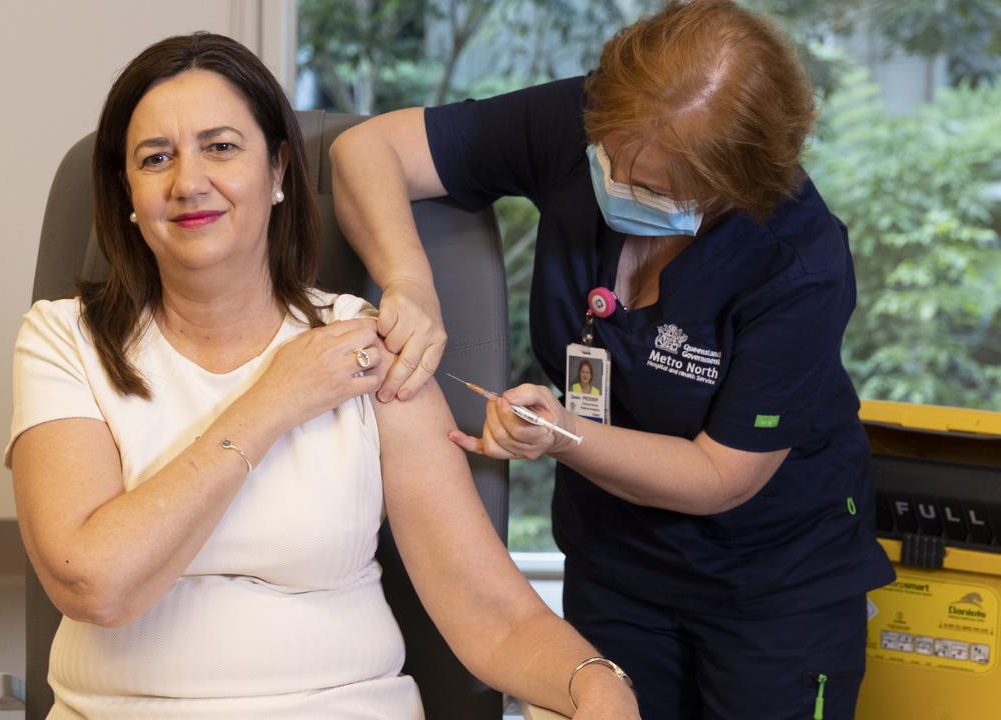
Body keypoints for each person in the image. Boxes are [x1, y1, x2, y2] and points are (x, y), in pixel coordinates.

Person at [6, 32, 639, 720]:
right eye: (156, 158)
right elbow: (95, 584)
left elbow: (489, 612)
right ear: (126, 192)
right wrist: (276, 397)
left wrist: (594, 681)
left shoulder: (364, 346)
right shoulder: (65, 338)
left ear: (279, 170)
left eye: (221, 147)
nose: (188, 182)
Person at [329, 1, 894, 718]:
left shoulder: (798, 263)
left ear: (734, 187)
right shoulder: (591, 122)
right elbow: (364, 151)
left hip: (775, 584)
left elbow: (721, 476)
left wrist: (562, 434)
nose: (618, 187)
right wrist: (410, 280)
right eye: (609, 160)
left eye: (654, 188)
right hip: (614, 566)